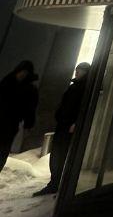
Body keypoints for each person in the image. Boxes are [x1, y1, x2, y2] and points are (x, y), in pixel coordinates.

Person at [34, 61, 91, 196]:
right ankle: (56, 183)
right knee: (58, 155)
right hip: (64, 124)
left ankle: (56, 184)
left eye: (80, 70)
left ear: (86, 72)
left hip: (69, 126)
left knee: (60, 155)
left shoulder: (84, 88)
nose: (77, 72)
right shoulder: (77, 86)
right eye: (77, 69)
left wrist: (75, 122)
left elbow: (82, 107)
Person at [0, 60, 39, 172]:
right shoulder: (7, 82)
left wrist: (28, 125)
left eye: (25, 72)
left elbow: (30, 109)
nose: (22, 74)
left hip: (11, 123)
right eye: (21, 71)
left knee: (3, 150)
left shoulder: (30, 89)